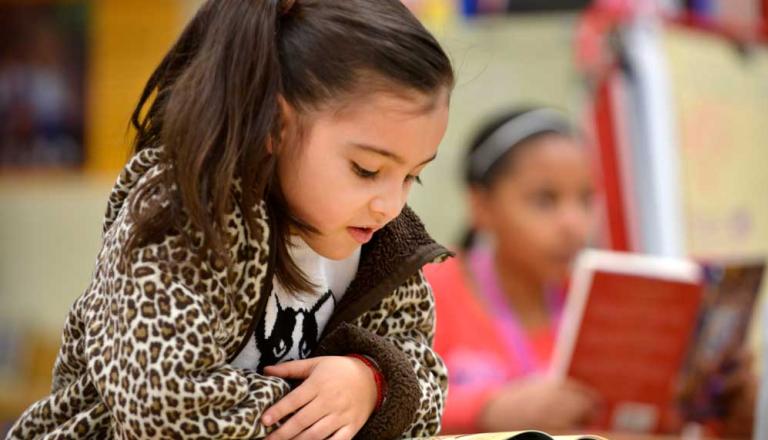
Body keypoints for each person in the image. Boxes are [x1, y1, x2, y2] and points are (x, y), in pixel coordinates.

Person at [7, 1, 454, 439]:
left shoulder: (384, 241)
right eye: (367, 169)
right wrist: (320, 403)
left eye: (414, 175)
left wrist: (369, 384)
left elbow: (428, 381)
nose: (390, 205)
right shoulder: (180, 214)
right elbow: (163, 409)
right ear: (275, 126)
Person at [424, 107, 600, 434]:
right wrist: (488, 412)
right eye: (545, 200)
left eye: (586, 200)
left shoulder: (600, 300)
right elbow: (383, 404)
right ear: (481, 206)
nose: (574, 225)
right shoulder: (427, 291)